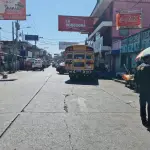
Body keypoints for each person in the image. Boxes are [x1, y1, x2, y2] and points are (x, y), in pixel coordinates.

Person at [136, 55, 150, 127]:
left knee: (142, 106)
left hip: (142, 89)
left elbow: (136, 78)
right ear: (147, 58)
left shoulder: (139, 67)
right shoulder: (148, 67)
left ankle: (144, 121)